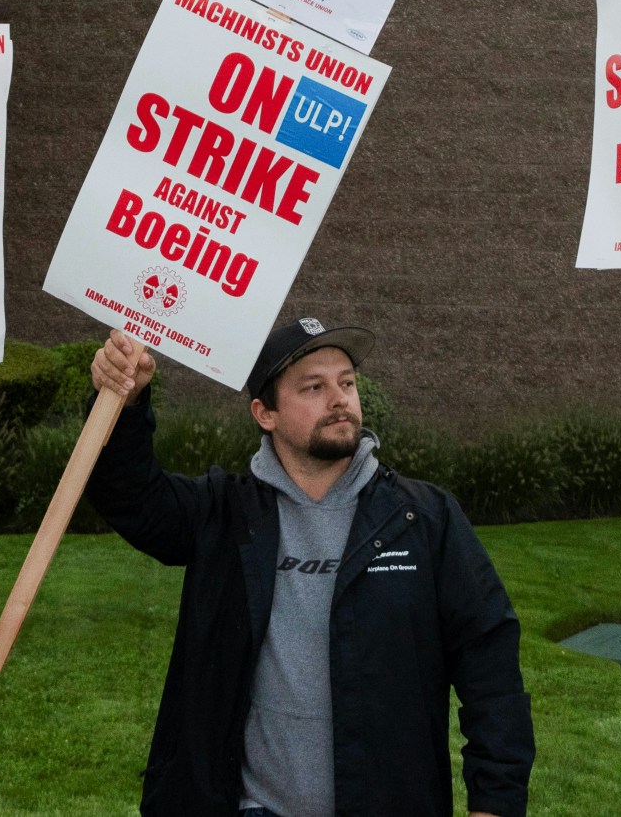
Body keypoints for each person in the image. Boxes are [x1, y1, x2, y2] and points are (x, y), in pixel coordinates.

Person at [85, 317, 534, 817]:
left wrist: (494, 803)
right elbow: (129, 496)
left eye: (346, 383)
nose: (339, 398)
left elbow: (490, 667)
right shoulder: (223, 514)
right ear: (265, 413)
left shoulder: (423, 518)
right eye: (313, 387)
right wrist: (121, 407)